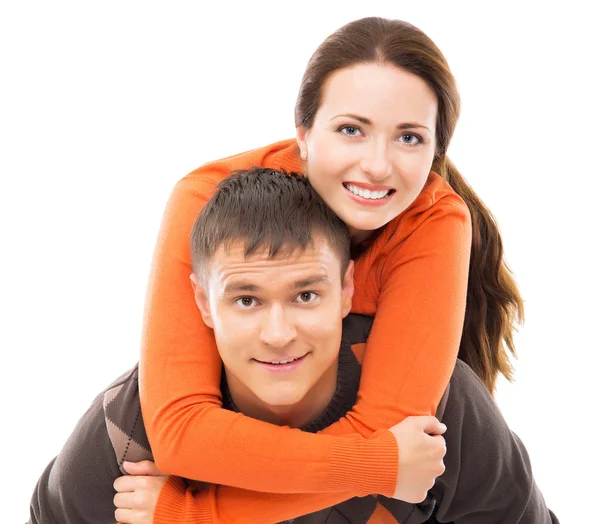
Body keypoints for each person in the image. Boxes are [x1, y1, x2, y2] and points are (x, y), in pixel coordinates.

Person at [138, 16, 524, 520]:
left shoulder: (436, 220)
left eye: (409, 138)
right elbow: (182, 433)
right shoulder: (204, 201)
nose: (378, 165)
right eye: (350, 130)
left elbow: (378, 435)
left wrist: (194, 516)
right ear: (303, 133)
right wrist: (380, 464)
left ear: (435, 152)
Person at [29, 168, 557, 523]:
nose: (278, 333)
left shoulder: (438, 409)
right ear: (202, 302)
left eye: (306, 294)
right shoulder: (127, 430)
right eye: (246, 300)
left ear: (348, 289)